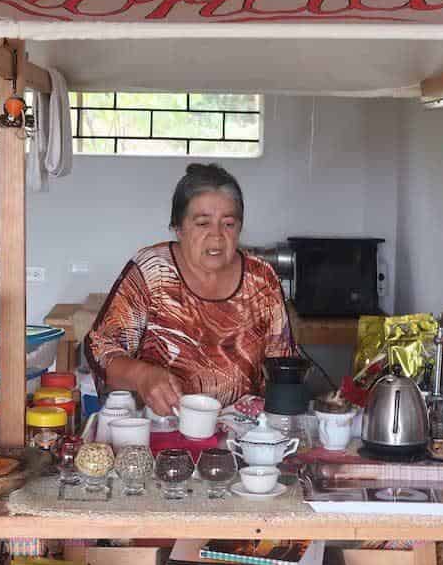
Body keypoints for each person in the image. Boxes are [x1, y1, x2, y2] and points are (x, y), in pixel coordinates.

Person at [86, 163, 296, 415]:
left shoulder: (261, 279)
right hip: (161, 428)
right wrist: (143, 376)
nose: (216, 236)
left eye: (228, 224)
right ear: (179, 228)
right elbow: (102, 348)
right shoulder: (152, 271)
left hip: (242, 433)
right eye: (202, 223)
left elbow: (283, 364)